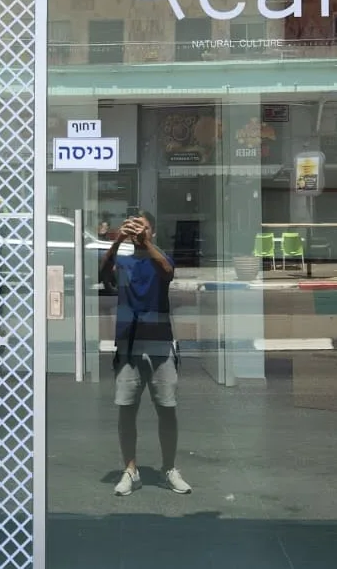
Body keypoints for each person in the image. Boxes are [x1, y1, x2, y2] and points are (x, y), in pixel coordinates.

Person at [98, 211, 192, 497]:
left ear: (153, 232)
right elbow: (104, 275)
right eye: (135, 227)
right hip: (128, 344)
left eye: (145, 228)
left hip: (160, 343)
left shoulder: (159, 257)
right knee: (126, 409)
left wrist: (145, 243)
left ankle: (169, 469)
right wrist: (118, 240)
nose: (140, 232)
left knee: (167, 408)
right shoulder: (124, 260)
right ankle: (130, 470)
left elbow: (167, 272)